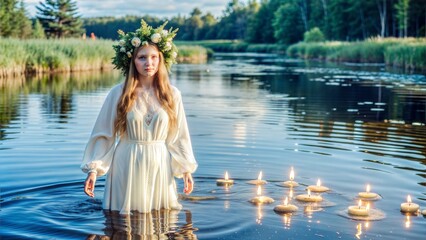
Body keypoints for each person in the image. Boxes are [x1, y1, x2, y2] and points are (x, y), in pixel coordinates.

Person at [81, 20, 197, 214]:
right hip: (126, 163)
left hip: (159, 164)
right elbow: (104, 134)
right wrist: (94, 170)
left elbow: (179, 136)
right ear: (132, 61)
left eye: (153, 57)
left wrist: (185, 169)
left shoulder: (172, 94)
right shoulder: (118, 94)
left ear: (161, 59)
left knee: (160, 221)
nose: (148, 63)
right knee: (122, 223)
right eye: (142, 57)